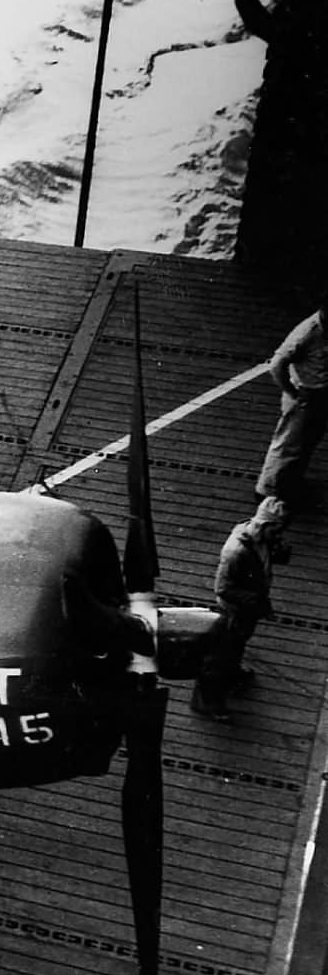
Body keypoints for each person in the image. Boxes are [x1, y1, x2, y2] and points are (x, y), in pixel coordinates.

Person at [193, 496, 290, 721]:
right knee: (220, 655)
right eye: (277, 530)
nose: (280, 535)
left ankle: (232, 674)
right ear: (266, 526)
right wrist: (255, 602)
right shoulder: (236, 551)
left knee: (235, 647)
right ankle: (206, 702)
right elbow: (223, 587)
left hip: (248, 607)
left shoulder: (259, 538)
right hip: (234, 610)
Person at [255, 293, 328, 504]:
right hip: (303, 395)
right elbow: (277, 365)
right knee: (288, 443)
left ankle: (290, 481)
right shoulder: (308, 332)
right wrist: (292, 392)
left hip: (320, 395)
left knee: (308, 441)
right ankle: (268, 489)